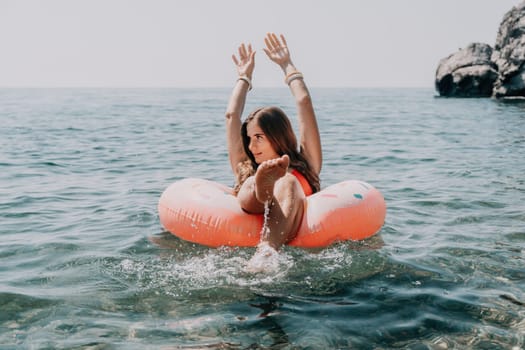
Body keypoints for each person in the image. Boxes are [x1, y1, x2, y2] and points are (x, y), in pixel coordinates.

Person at [225, 33, 322, 265]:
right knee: (250, 180)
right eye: (249, 138)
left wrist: (287, 65)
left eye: (259, 137)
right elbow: (231, 116)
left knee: (287, 181)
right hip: (253, 197)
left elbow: (304, 102)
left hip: (288, 193)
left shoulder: (306, 163)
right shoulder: (246, 166)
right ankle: (262, 191)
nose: (251, 146)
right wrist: (243, 77)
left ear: (277, 135)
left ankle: (267, 243)